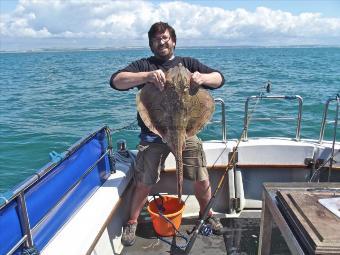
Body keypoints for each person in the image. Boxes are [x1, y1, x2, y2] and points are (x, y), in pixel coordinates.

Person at [110, 22, 225, 246]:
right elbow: (116, 81)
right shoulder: (145, 65)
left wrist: (202, 78)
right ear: (151, 44)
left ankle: (206, 214)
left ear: (173, 40)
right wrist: (147, 76)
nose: (161, 42)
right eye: (156, 40)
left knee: (201, 177)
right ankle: (132, 221)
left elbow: (219, 78)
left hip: (186, 131)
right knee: (144, 181)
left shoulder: (189, 63)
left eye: (165, 38)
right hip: (155, 133)